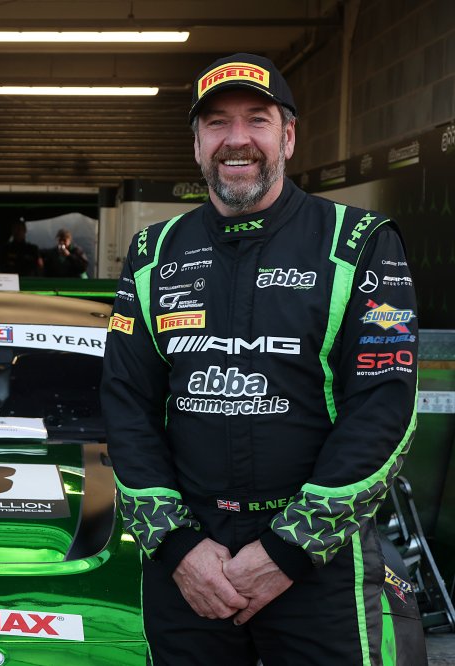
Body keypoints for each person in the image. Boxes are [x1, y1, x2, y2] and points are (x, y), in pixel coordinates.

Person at [101, 52, 417, 665]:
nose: (236, 139)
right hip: (190, 564)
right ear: (197, 144)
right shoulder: (152, 252)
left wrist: (288, 551)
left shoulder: (360, 242)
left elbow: (384, 409)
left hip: (317, 561)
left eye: (258, 120)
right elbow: (125, 404)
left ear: (289, 137)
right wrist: (178, 547)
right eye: (217, 123)